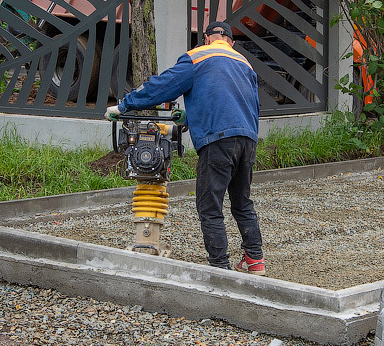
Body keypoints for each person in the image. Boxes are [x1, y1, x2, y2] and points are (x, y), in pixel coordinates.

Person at [106, 21, 265, 273]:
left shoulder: (199, 56)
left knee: (210, 206)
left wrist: (125, 105)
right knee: (242, 202)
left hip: (218, 139)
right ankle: (255, 260)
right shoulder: (245, 64)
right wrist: (189, 118)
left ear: (206, 38)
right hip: (247, 139)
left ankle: (219, 269)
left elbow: (162, 86)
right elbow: (235, 102)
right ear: (231, 42)